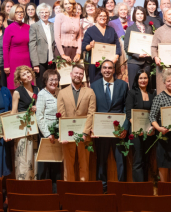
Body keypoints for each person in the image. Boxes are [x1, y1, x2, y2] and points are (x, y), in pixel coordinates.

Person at [90, 60, 129, 191]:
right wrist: (92, 128)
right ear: (101, 70)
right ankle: (103, 189)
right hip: (100, 131)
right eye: (105, 68)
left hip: (119, 131)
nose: (107, 70)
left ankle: (121, 189)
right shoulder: (94, 86)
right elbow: (92, 109)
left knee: (121, 162)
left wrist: (125, 128)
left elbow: (126, 108)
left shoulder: (123, 85)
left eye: (110, 68)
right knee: (101, 161)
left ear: (114, 70)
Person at [57, 64, 96, 181]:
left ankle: (83, 195)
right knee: (68, 167)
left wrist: (85, 133)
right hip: (67, 137)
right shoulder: (62, 93)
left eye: (80, 74)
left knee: (84, 166)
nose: (78, 76)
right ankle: (68, 194)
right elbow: (61, 115)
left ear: (83, 76)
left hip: (85, 136)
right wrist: (64, 133)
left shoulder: (90, 92)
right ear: (71, 74)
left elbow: (91, 113)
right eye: (76, 73)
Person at [35, 69, 63, 192]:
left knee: (57, 166)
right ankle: (42, 194)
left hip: (58, 134)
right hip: (46, 136)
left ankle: (56, 195)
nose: (54, 82)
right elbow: (39, 116)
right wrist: (47, 134)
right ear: (45, 81)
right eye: (51, 80)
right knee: (44, 167)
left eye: (56, 79)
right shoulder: (42, 94)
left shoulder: (60, 93)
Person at [10, 66, 39, 180]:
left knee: (34, 158)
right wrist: (11, 132)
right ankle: (22, 186)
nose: (27, 75)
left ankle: (34, 187)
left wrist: (38, 108)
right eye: (23, 74)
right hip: (22, 130)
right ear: (20, 79)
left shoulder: (37, 89)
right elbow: (13, 112)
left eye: (28, 72)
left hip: (35, 129)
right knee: (23, 158)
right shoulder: (17, 92)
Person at [125, 69, 155, 182]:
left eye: (145, 78)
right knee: (138, 159)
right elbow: (129, 113)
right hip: (136, 132)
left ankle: (146, 187)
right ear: (137, 80)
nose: (143, 80)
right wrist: (138, 128)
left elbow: (155, 112)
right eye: (141, 78)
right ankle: (138, 189)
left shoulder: (153, 93)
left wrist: (152, 128)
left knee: (147, 160)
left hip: (149, 131)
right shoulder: (132, 93)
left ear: (148, 79)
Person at [83, 7, 122, 83]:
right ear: (96, 17)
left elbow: (117, 44)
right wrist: (90, 46)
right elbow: (84, 46)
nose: (103, 18)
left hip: (109, 64)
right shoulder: (90, 30)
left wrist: (116, 57)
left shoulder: (111, 30)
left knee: (110, 85)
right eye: (100, 16)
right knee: (95, 86)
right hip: (95, 64)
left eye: (105, 16)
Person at [123, 6, 154, 89]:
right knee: (134, 85)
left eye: (142, 13)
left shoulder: (149, 28)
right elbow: (126, 47)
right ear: (134, 15)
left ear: (144, 15)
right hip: (134, 62)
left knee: (147, 87)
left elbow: (151, 44)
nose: (140, 15)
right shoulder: (130, 29)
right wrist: (137, 55)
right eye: (138, 14)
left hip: (146, 62)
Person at [3, 5, 31, 90]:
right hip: (13, 61)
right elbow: (5, 47)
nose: (20, 14)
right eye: (17, 12)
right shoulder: (9, 28)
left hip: (27, 60)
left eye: (21, 12)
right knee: (14, 86)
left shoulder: (28, 27)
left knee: (28, 85)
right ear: (13, 14)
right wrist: (6, 65)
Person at [29, 3, 56, 90]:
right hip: (40, 61)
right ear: (38, 14)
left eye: (46, 12)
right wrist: (35, 64)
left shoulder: (53, 25)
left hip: (52, 60)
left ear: (50, 13)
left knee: (52, 83)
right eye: (42, 12)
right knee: (41, 84)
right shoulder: (34, 26)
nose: (44, 14)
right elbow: (32, 45)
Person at [54, 0, 83, 67]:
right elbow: (57, 37)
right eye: (66, 4)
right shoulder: (59, 16)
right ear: (63, 6)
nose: (68, 6)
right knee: (63, 75)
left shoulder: (77, 16)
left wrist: (78, 53)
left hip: (74, 50)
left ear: (73, 5)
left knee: (75, 74)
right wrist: (62, 55)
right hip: (62, 49)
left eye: (70, 3)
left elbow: (79, 37)